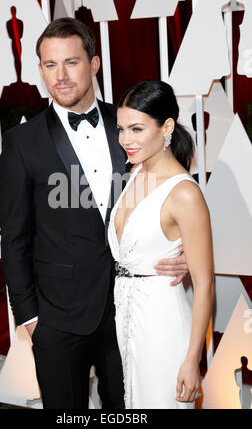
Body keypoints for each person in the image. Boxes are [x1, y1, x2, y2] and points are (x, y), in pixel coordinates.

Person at [0, 18, 189, 409]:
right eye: (50, 65)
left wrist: (183, 252)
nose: (60, 76)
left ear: (94, 64)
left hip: (130, 307)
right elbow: (13, 238)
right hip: (57, 317)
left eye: (71, 62)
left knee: (127, 409)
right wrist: (30, 318)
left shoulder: (130, 126)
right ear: (39, 70)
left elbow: (170, 191)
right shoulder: (21, 143)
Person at [108, 79, 215, 409]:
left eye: (137, 129)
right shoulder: (134, 172)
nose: (126, 140)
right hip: (125, 318)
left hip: (163, 325)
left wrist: (191, 360)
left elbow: (205, 285)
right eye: (122, 129)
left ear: (167, 126)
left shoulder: (185, 193)